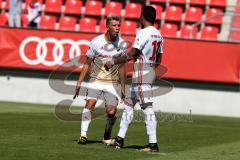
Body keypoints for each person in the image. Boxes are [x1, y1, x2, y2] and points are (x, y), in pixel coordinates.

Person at [105, 6, 163, 152]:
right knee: (128, 106)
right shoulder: (159, 35)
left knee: (148, 108)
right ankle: (119, 140)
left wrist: (114, 61)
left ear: (142, 16)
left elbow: (133, 53)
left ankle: (153, 144)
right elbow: (159, 59)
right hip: (148, 71)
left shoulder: (143, 32)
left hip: (142, 74)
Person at [73, 15, 126, 145]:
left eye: (118, 25)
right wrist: (79, 82)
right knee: (90, 104)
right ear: (107, 27)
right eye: (114, 25)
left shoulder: (121, 44)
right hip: (95, 80)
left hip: (112, 83)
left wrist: (123, 87)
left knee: (111, 112)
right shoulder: (96, 41)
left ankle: (106, 134)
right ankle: (83, 135)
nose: (117, 28)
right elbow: (87, 63)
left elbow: (122, 66)